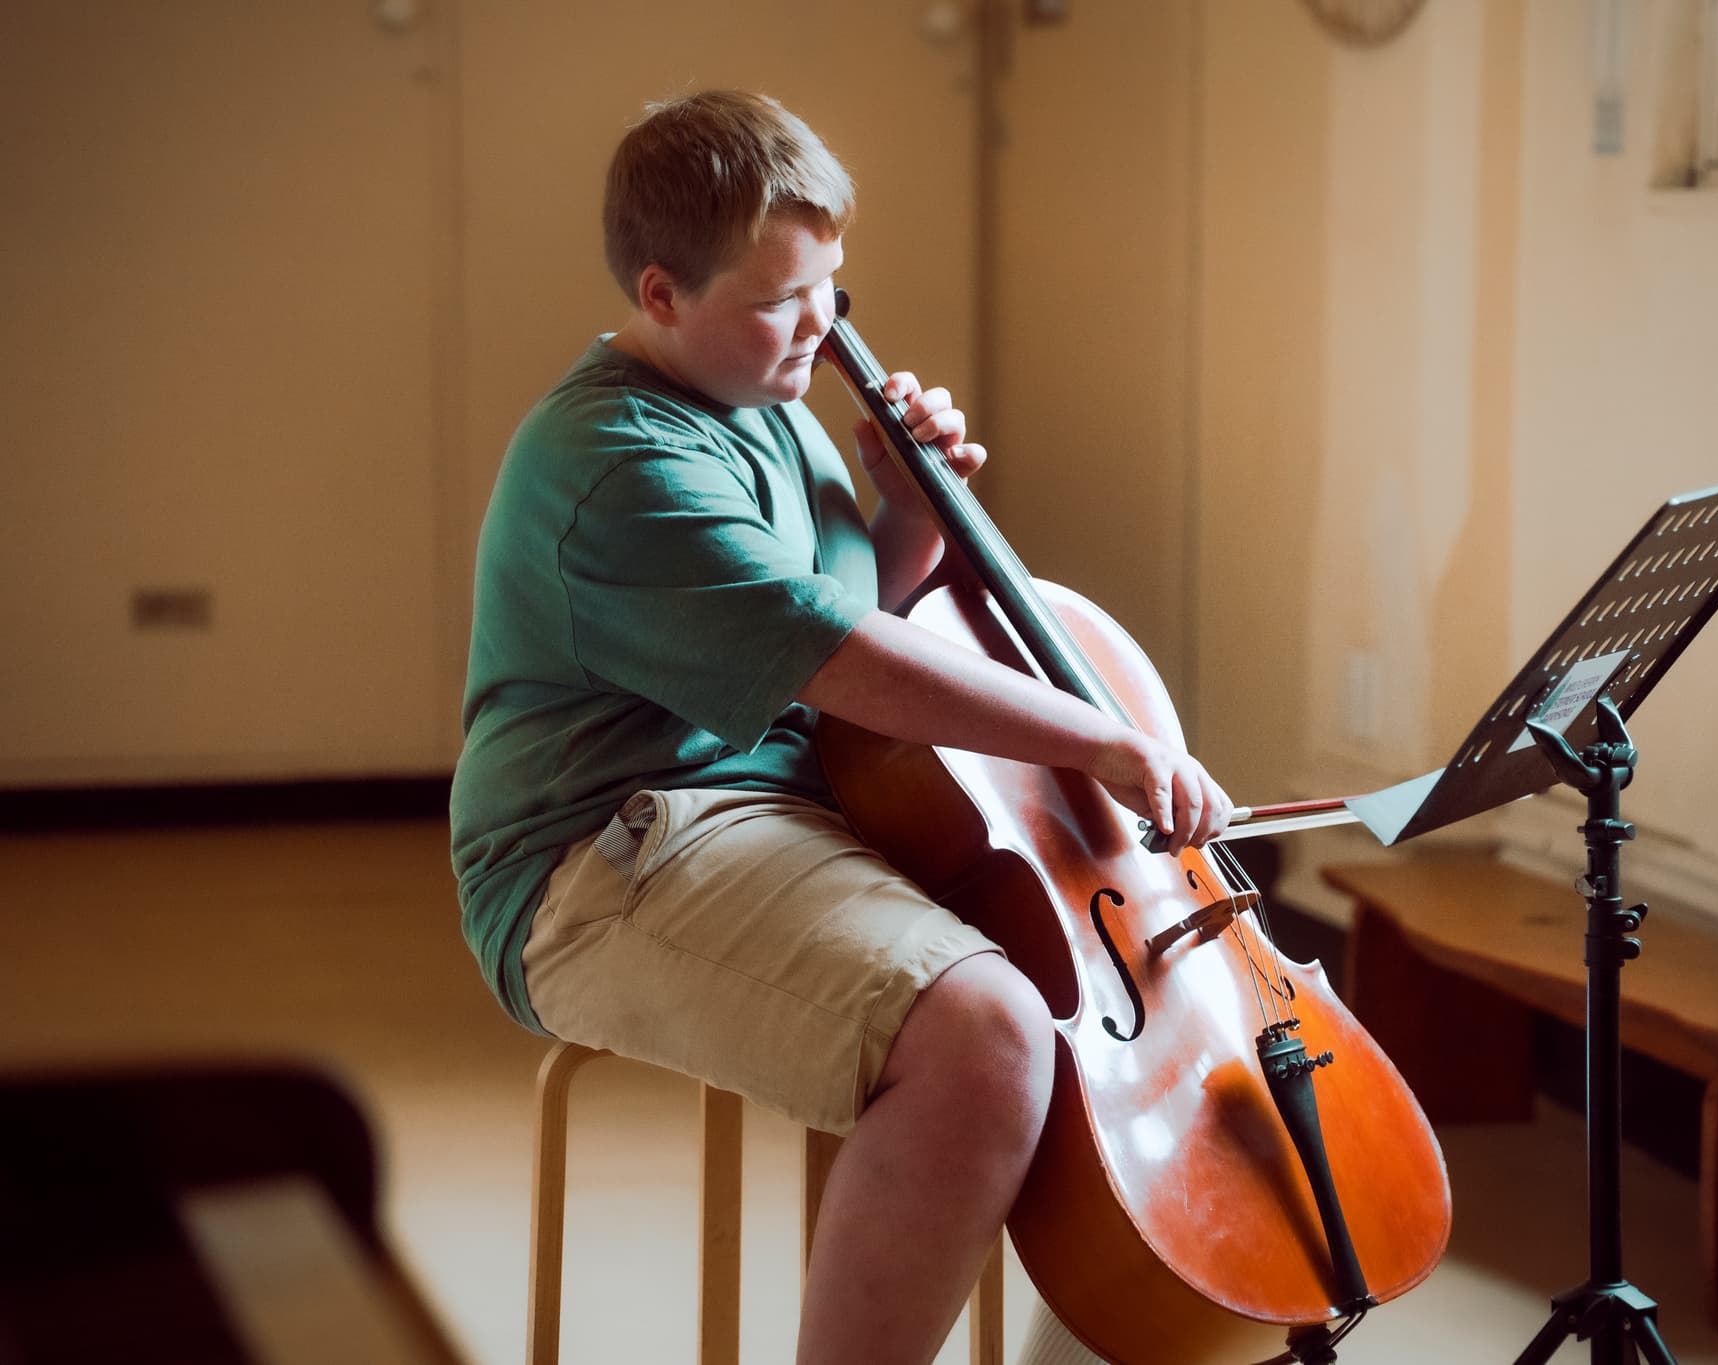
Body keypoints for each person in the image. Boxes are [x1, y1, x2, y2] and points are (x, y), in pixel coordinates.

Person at [450, 89, 1232, 1365]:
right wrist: (1097, 739)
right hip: (601, 863)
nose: (817, 324)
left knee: (1081, 996)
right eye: (776, 299)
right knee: (985, 1036)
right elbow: (840, 658)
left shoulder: (770, 399)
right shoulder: (618, 466)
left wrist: (908, 517)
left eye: (831, 287)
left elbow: (849, 607)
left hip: (788, 810)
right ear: (660, 294)